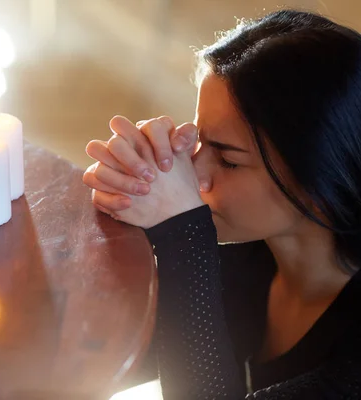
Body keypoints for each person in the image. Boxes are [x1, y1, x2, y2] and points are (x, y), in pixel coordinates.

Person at [83, 9, 361, 399]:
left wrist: (182, 235)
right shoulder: (252, 255)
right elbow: (110, 352)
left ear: (319, 178)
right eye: (196, 142)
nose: (192, 174)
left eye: (228, 159)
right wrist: (134, 192)